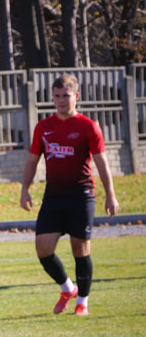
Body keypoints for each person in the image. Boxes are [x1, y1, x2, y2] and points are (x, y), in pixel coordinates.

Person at [20, 74, 120, 316]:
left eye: (66, 96)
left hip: (81, 195)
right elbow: (33, 160)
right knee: (43, 248)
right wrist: (24, 189)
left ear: (76, 96)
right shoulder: (43, 127)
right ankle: (68, 288)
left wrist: (111, 195)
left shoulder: (88, 126)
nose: (61, 100)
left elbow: (102, 162)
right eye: (56, 96)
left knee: (80, 248)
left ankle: (82, 302)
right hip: (53, 197)